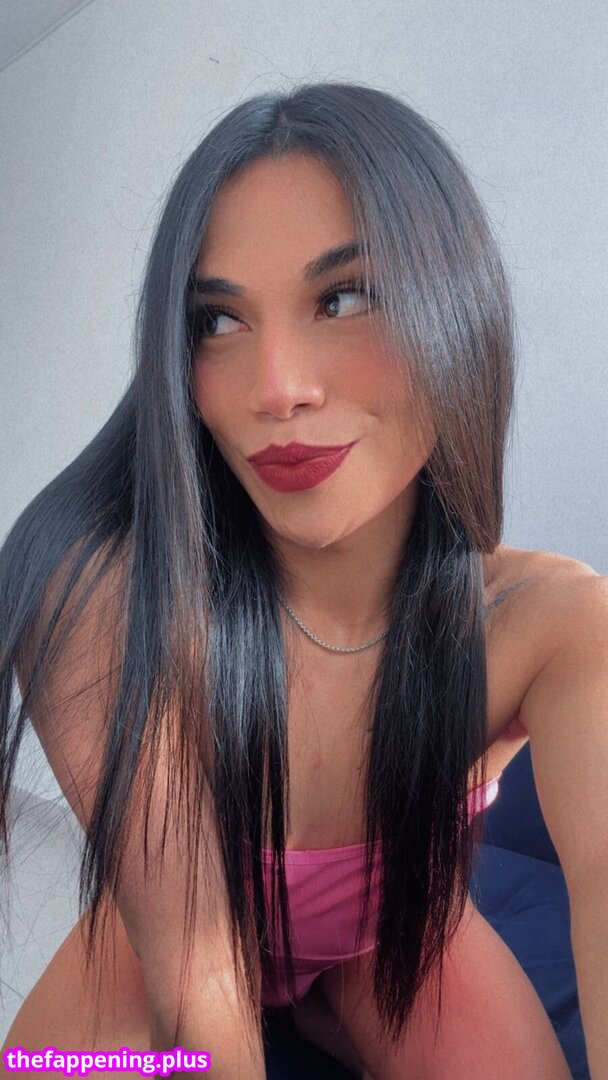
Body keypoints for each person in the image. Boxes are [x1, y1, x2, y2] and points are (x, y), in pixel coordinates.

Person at [0, 81, 605, 1079]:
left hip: (394, 937)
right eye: (216, 321)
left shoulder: (549, 621)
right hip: (158, 952)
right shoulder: (97, 586)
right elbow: (196, 969)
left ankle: (331, 1005)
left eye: (345, 297)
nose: (276, 388)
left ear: (455, 307)